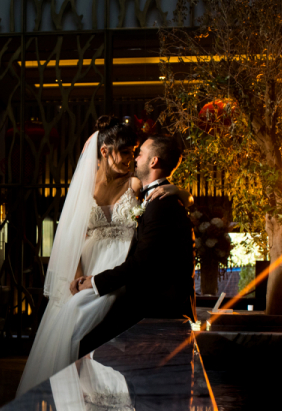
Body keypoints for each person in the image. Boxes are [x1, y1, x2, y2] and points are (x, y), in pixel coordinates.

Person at [15, 118, 184, 397]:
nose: (131, 158)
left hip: (119, 265)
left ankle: (105, 392)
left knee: (95, 318)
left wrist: (180, 190)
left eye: (134, 152)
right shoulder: (84, 187)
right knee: (74, 313)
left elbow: (160, 195)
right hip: (90, 264)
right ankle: (73, 392)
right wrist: (78, 275)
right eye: (125, 151)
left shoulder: (133, 183)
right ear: (104, 151)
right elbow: (75, 237)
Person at [74, 135, 195, 357]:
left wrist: (95, 281)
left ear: (153, 162)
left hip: (153, 303)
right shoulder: (153, 199)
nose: (134, 158)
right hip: (134, 289)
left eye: (139, 153)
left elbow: (143, 263)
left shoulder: (161, 203)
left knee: (88, 343)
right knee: (83, 333)